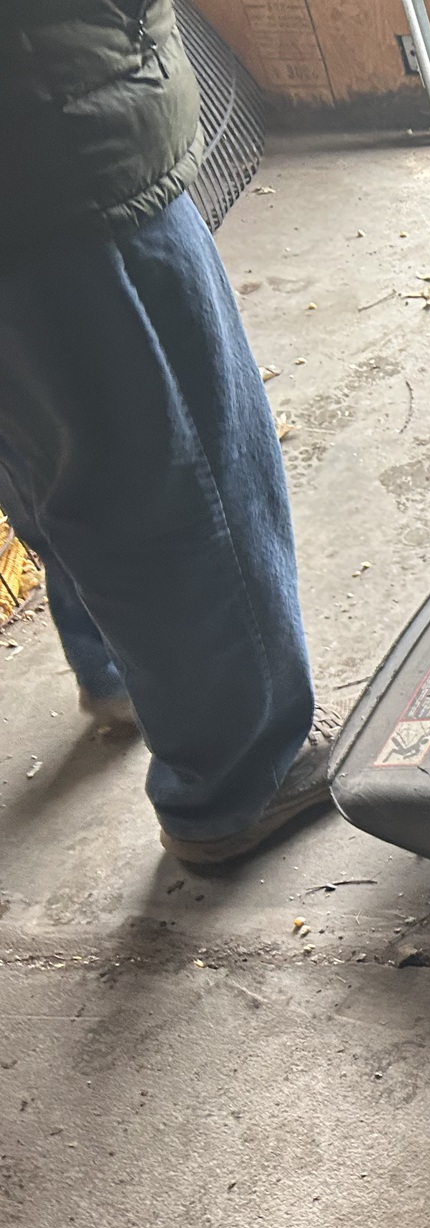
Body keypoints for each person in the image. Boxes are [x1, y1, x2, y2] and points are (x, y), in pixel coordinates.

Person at [0, 0, 334, 864]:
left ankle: (119, 672)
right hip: (49, 119)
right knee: (177, 477)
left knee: (55, 445)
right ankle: (241, 774)